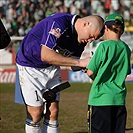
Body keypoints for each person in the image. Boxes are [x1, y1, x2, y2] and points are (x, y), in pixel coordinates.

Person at [16, 12, 104, 133]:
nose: (89, 41)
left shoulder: (80, 40)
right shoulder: (59, 23)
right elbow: (45, 55)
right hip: (30, 66)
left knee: (53, 112)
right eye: (91, 36)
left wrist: (88, 66)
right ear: (85, 24)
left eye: (93, 39)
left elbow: (69, 64)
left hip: (52, 66)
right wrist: (79, 62)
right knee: (35, 114)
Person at [86, 13, 131, 133]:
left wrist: (93, 73)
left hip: (100, 99)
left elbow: (90, 72)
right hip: (119, 100)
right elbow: (125, 72)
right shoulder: (126, 48)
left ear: (106, 28)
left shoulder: (103, 46)